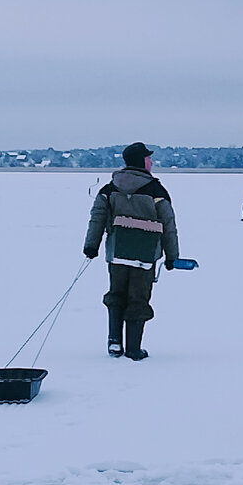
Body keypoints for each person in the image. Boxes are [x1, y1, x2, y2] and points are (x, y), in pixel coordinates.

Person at [83, 142, 179, 360]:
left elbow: (97, 218)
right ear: (141, 161)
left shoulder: (109, 189)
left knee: (116, 294)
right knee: (138, 298)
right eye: (148, 158)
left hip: (116, 254)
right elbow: (169, 225)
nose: (151, 162)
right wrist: (172, 256)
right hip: (145, 257)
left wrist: (91, 246)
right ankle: (134, 349)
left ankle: (114, 343)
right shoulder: (157, 191)